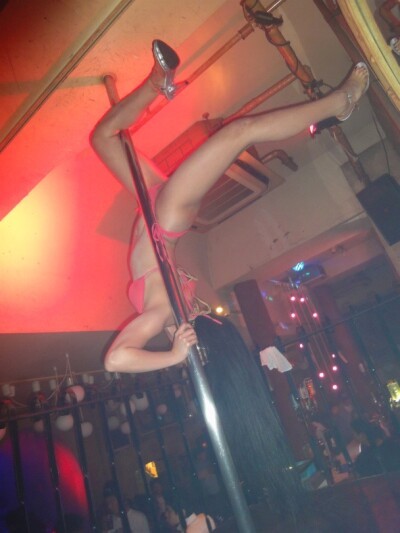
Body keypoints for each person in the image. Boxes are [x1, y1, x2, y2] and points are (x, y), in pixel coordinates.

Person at [91, 39, 369, 517]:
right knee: (239, 132)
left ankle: (157, 83)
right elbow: (117, 358)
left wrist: (173, 355)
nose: (199, 315)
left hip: (151, 205)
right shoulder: (167, 309)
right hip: (165, 216)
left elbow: (115, 359)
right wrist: (177, 352)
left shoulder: (159, 315)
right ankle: (338, 104)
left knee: (103, 138)